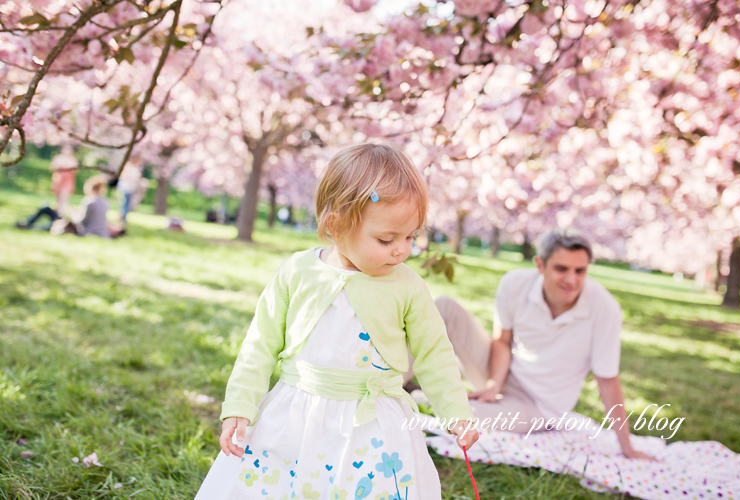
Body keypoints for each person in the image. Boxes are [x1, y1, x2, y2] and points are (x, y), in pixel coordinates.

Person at [195, 144, 478, 500]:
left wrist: (456, 412)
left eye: (411, 236)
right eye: (387, 239)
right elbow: (260, 345)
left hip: (374, 425)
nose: (401, 250)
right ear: (337, 223)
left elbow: (434, 353)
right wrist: (239, 406)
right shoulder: (298, 272)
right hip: (297, 416)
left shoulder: (406, 285)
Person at [405, 228, 654, 460]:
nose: (572, 280)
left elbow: (607, 379)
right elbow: (502, 341)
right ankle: (391, 384)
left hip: (538, 406)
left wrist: (627, 447)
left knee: (462, 416)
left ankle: (422, 397)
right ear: (540, 264)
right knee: (445, 307)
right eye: (561, 268)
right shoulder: (514, 284)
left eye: (580, 271)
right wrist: (493, 385)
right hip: (500, 374)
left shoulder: (605, 308)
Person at [50, 145, 78, 218]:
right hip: (58, 180)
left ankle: (60, 215)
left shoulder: (73, 160)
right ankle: (56, 214)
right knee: (57, 199)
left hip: (67, 181)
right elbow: (52, 168)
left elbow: (76, 171)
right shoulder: (58, 158)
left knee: (64, 198)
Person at [116, 157, 142, 223]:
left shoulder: (135, 168)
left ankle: (123, 216)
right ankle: (123, 216)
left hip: (131, 188)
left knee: (127, 203)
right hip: (126, 187)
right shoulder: (128, 167)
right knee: (125, 202)